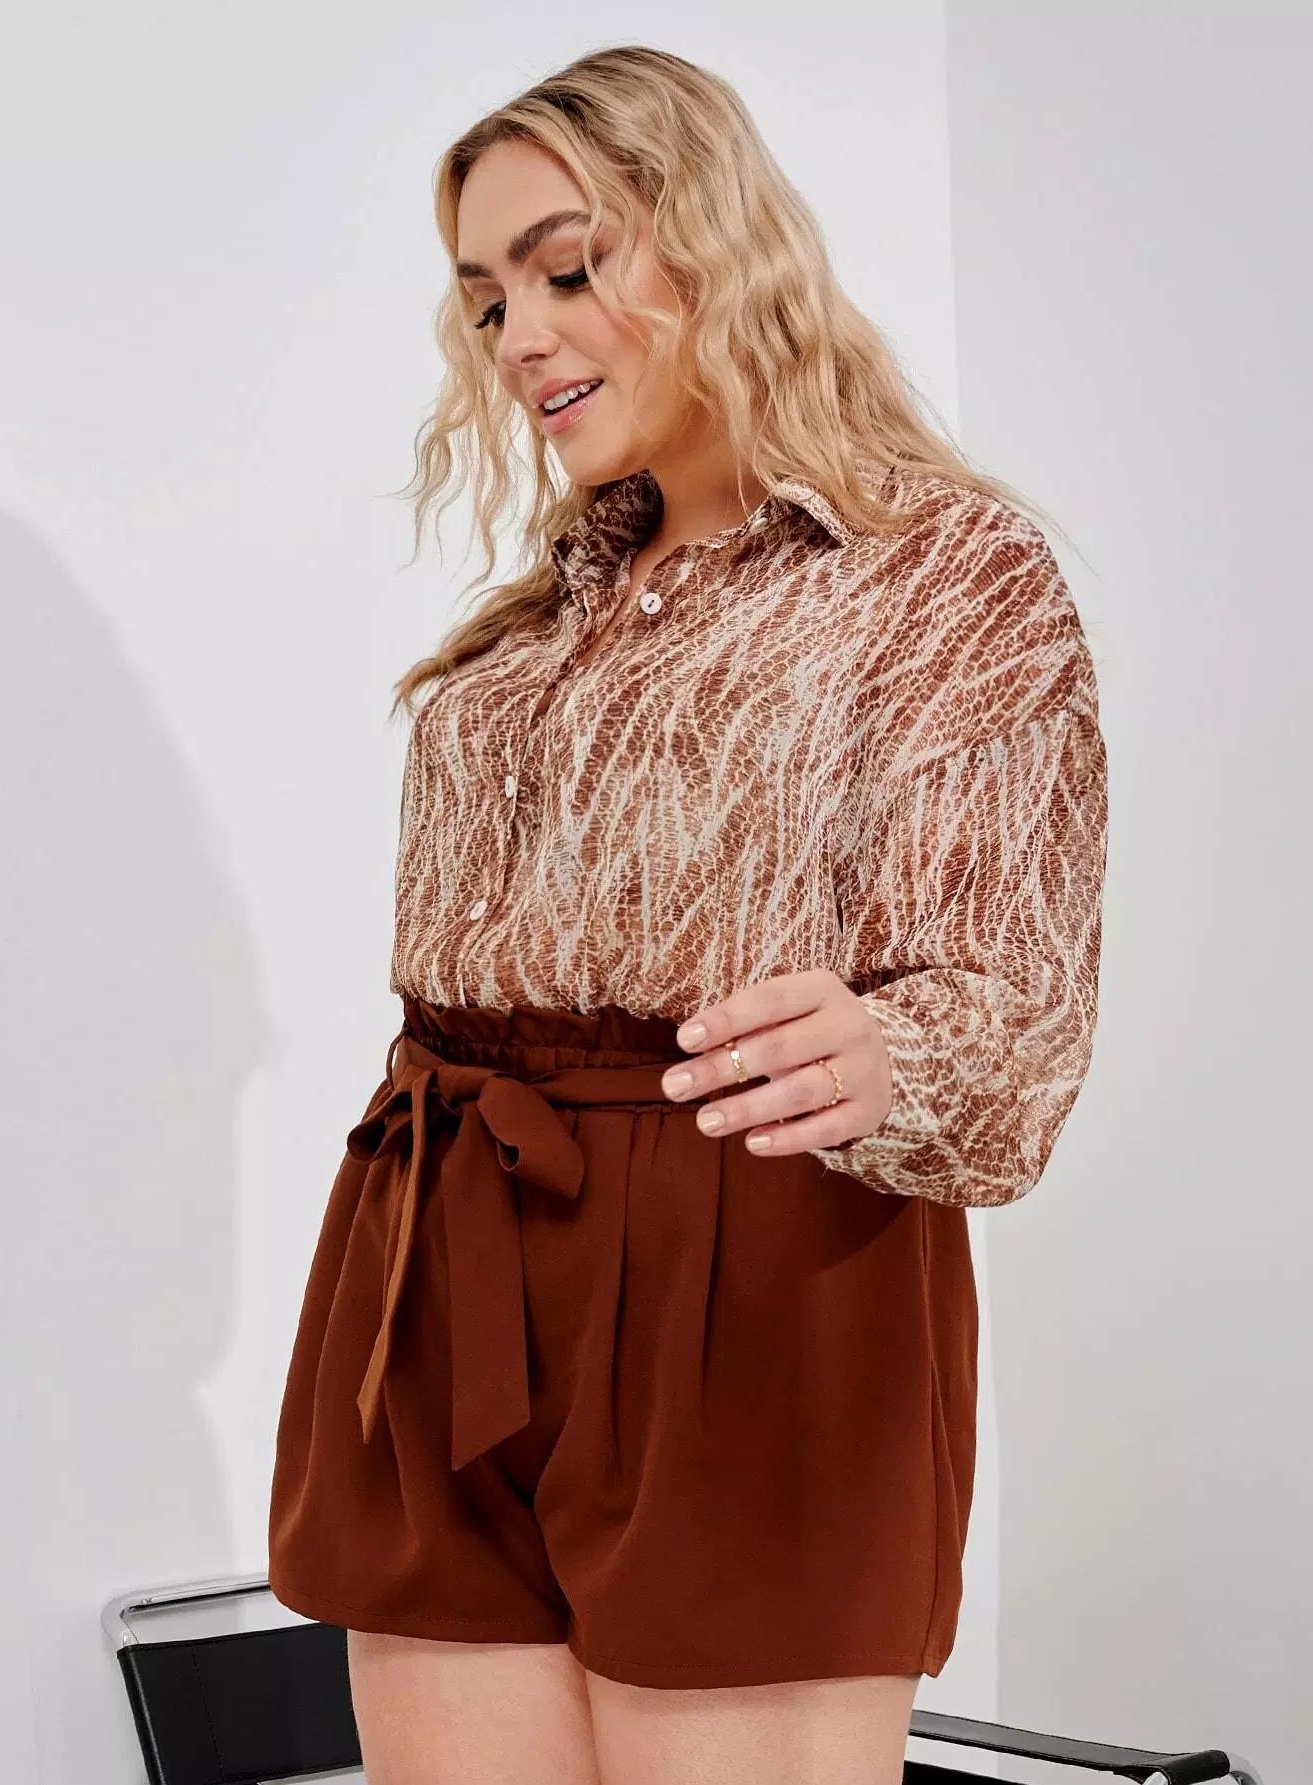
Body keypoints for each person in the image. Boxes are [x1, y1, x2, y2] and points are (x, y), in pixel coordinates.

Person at [266, 42, 1109, 1785]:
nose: (521, 336)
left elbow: (1019, 1017)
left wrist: (896, 1051)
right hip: (440, 1241)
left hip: (757, 1254)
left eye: (568, 268)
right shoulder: (534, 628)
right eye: (487, 298)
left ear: (721, 245)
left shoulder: (944, 578)